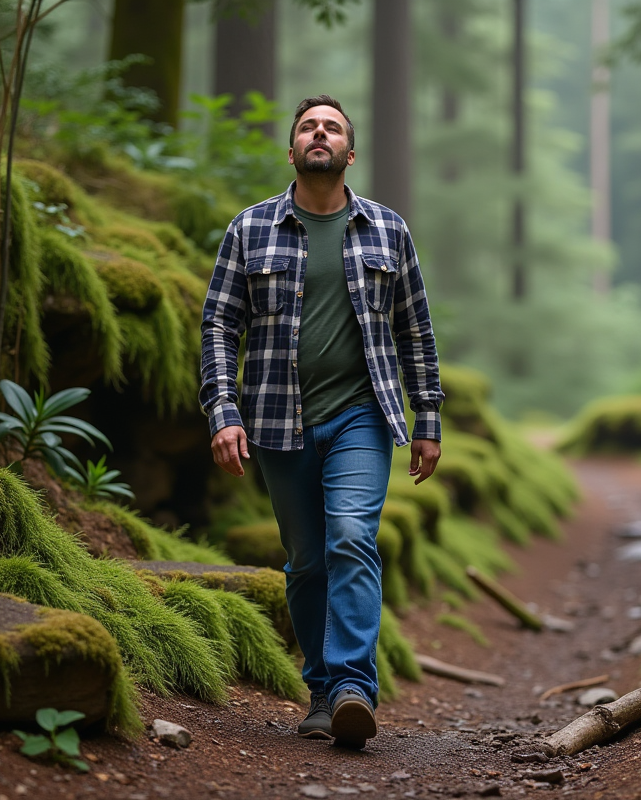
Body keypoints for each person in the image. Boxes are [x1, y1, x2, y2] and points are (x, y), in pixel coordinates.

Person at [199, 95, 444, 749]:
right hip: (278, 419)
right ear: (292, 151)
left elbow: (415, 330)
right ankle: (319, 690)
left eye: (332, 127)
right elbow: (220, 325)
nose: (319, 133)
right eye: (309, 126)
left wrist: (427, 417)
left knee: (351, 537)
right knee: (307, 562)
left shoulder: (387, 230)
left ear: (349, 153)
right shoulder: (250, 228)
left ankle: (353, 688)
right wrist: (223, 411)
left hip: (362, 414)